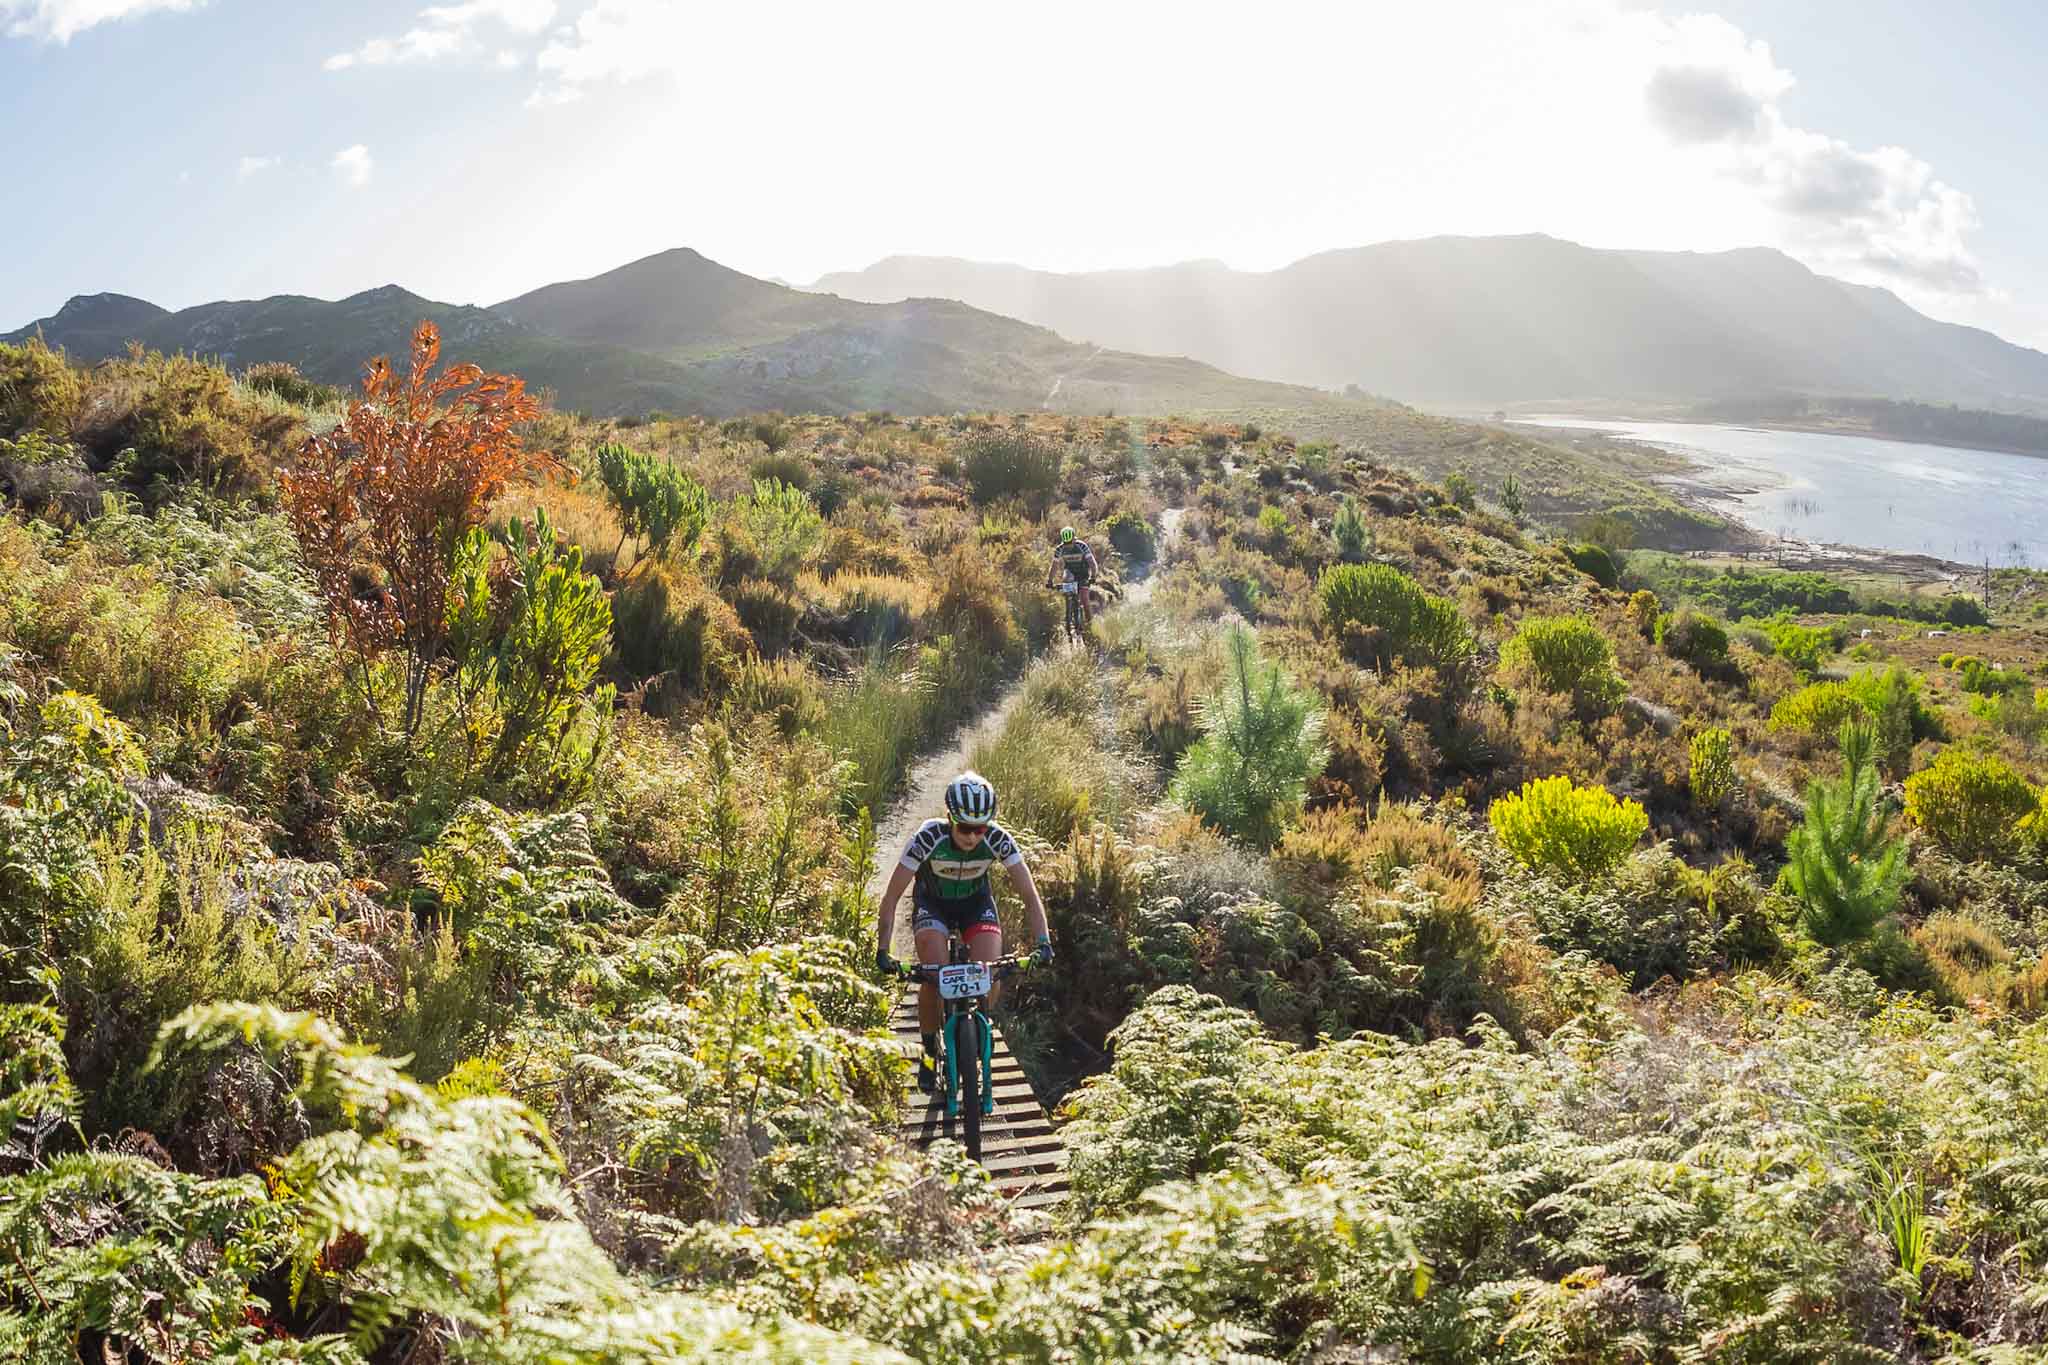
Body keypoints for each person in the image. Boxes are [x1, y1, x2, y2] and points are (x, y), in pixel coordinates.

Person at [875, 771, 1053, 1093]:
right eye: (966, 828)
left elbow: (1029, 893)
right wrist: (883, 949)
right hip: (934, 905)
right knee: (933, 976)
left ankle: (982, 1025)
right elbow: (891, 897)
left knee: (990, 972)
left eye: (980, 828)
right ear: (949, 818)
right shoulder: (928, 838)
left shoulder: (998, 839)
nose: (973, 837)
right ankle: (929, 1053)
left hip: (975, 905)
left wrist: (1044, 942)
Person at [1045, 526, 1100, 628]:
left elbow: (1092, 563)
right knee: (1066, 579)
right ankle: (1069, 601)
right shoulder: (1059, 549)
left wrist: (1093, 577)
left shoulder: (1082, 546)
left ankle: (1090, 624)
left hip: (1083, 573)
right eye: (1066, 544)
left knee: (1084, 599)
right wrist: (1050, 580)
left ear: (1074, 539)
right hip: (1070, 572)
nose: (1068, 546)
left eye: (1070, 543)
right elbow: (1054, 566)